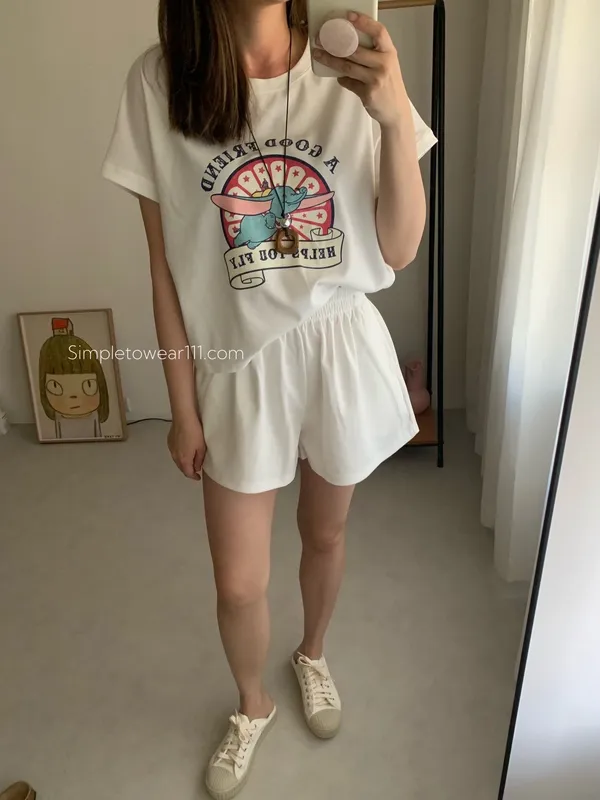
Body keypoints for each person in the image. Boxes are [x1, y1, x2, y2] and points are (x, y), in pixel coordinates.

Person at [102, 1, 436, 798]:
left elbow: (398, 247)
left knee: (326, 531)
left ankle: (312, 653)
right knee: (239, 582)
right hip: (237, 361)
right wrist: (182, 406)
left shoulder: (352, 66)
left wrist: (393, 117)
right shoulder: (161, 82)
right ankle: (252, 703)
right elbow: (164, 268)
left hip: (336, 343)